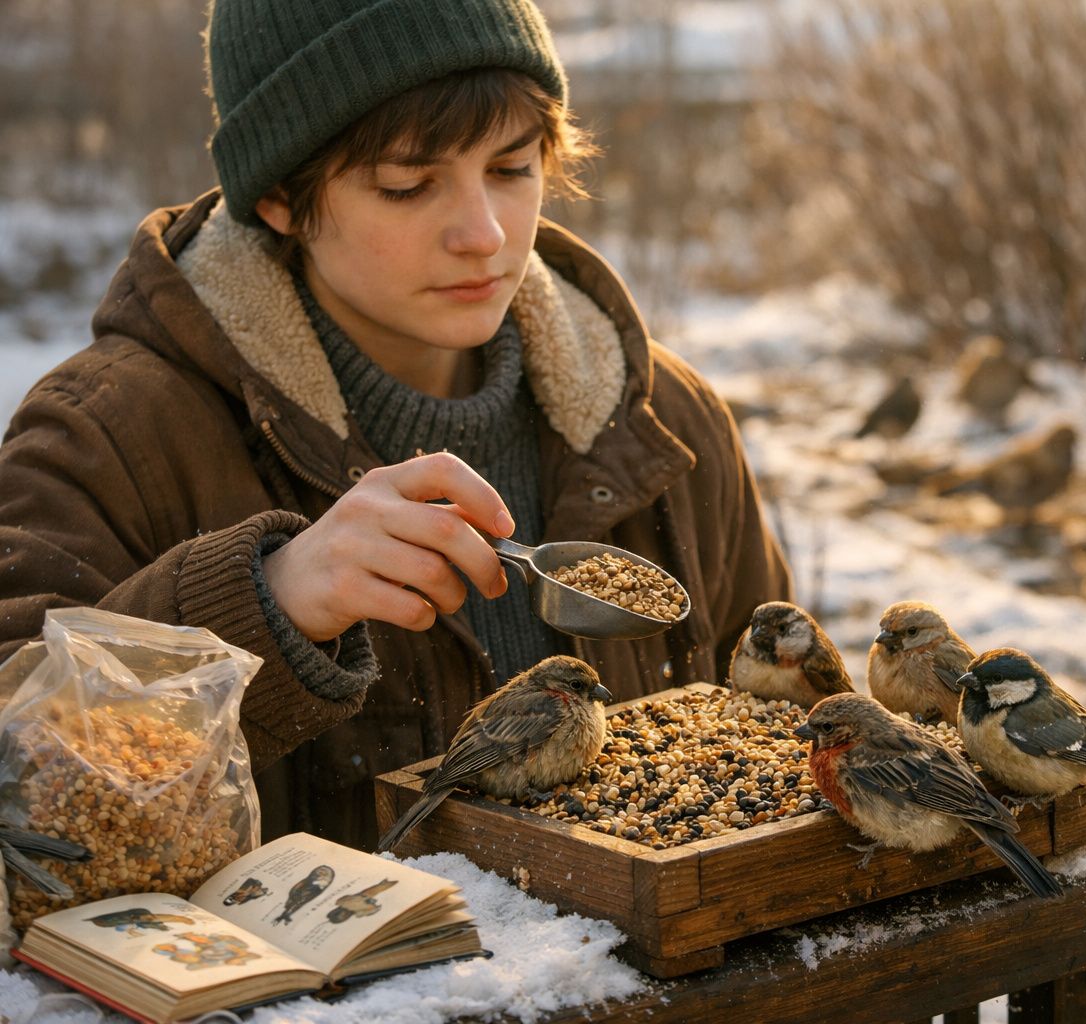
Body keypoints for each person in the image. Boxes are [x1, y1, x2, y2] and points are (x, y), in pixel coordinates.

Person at [0, 0, 791, 848]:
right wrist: (265, 607)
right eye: (408, 185)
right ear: (279, 196)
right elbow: (21, 795)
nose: (484, 235)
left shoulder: (666, 421)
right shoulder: (108, 439)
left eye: (513, 167)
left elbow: (797, 742)